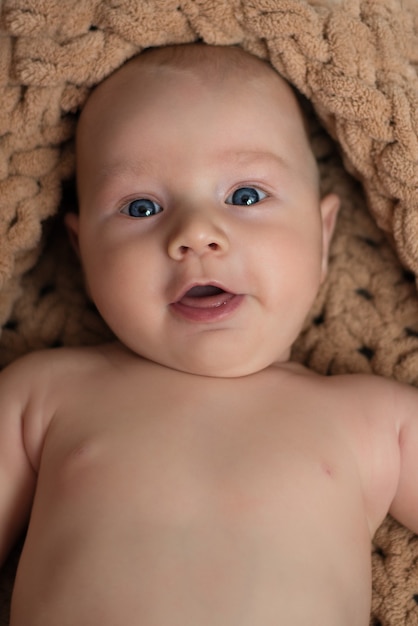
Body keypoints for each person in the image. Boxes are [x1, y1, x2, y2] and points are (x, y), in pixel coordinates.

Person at [0, 42, 417, 626]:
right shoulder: (41, 396)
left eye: (245, 196)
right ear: (82, 252)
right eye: (140, 206)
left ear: (323, 238)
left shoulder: (376, 421)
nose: (196, 233)